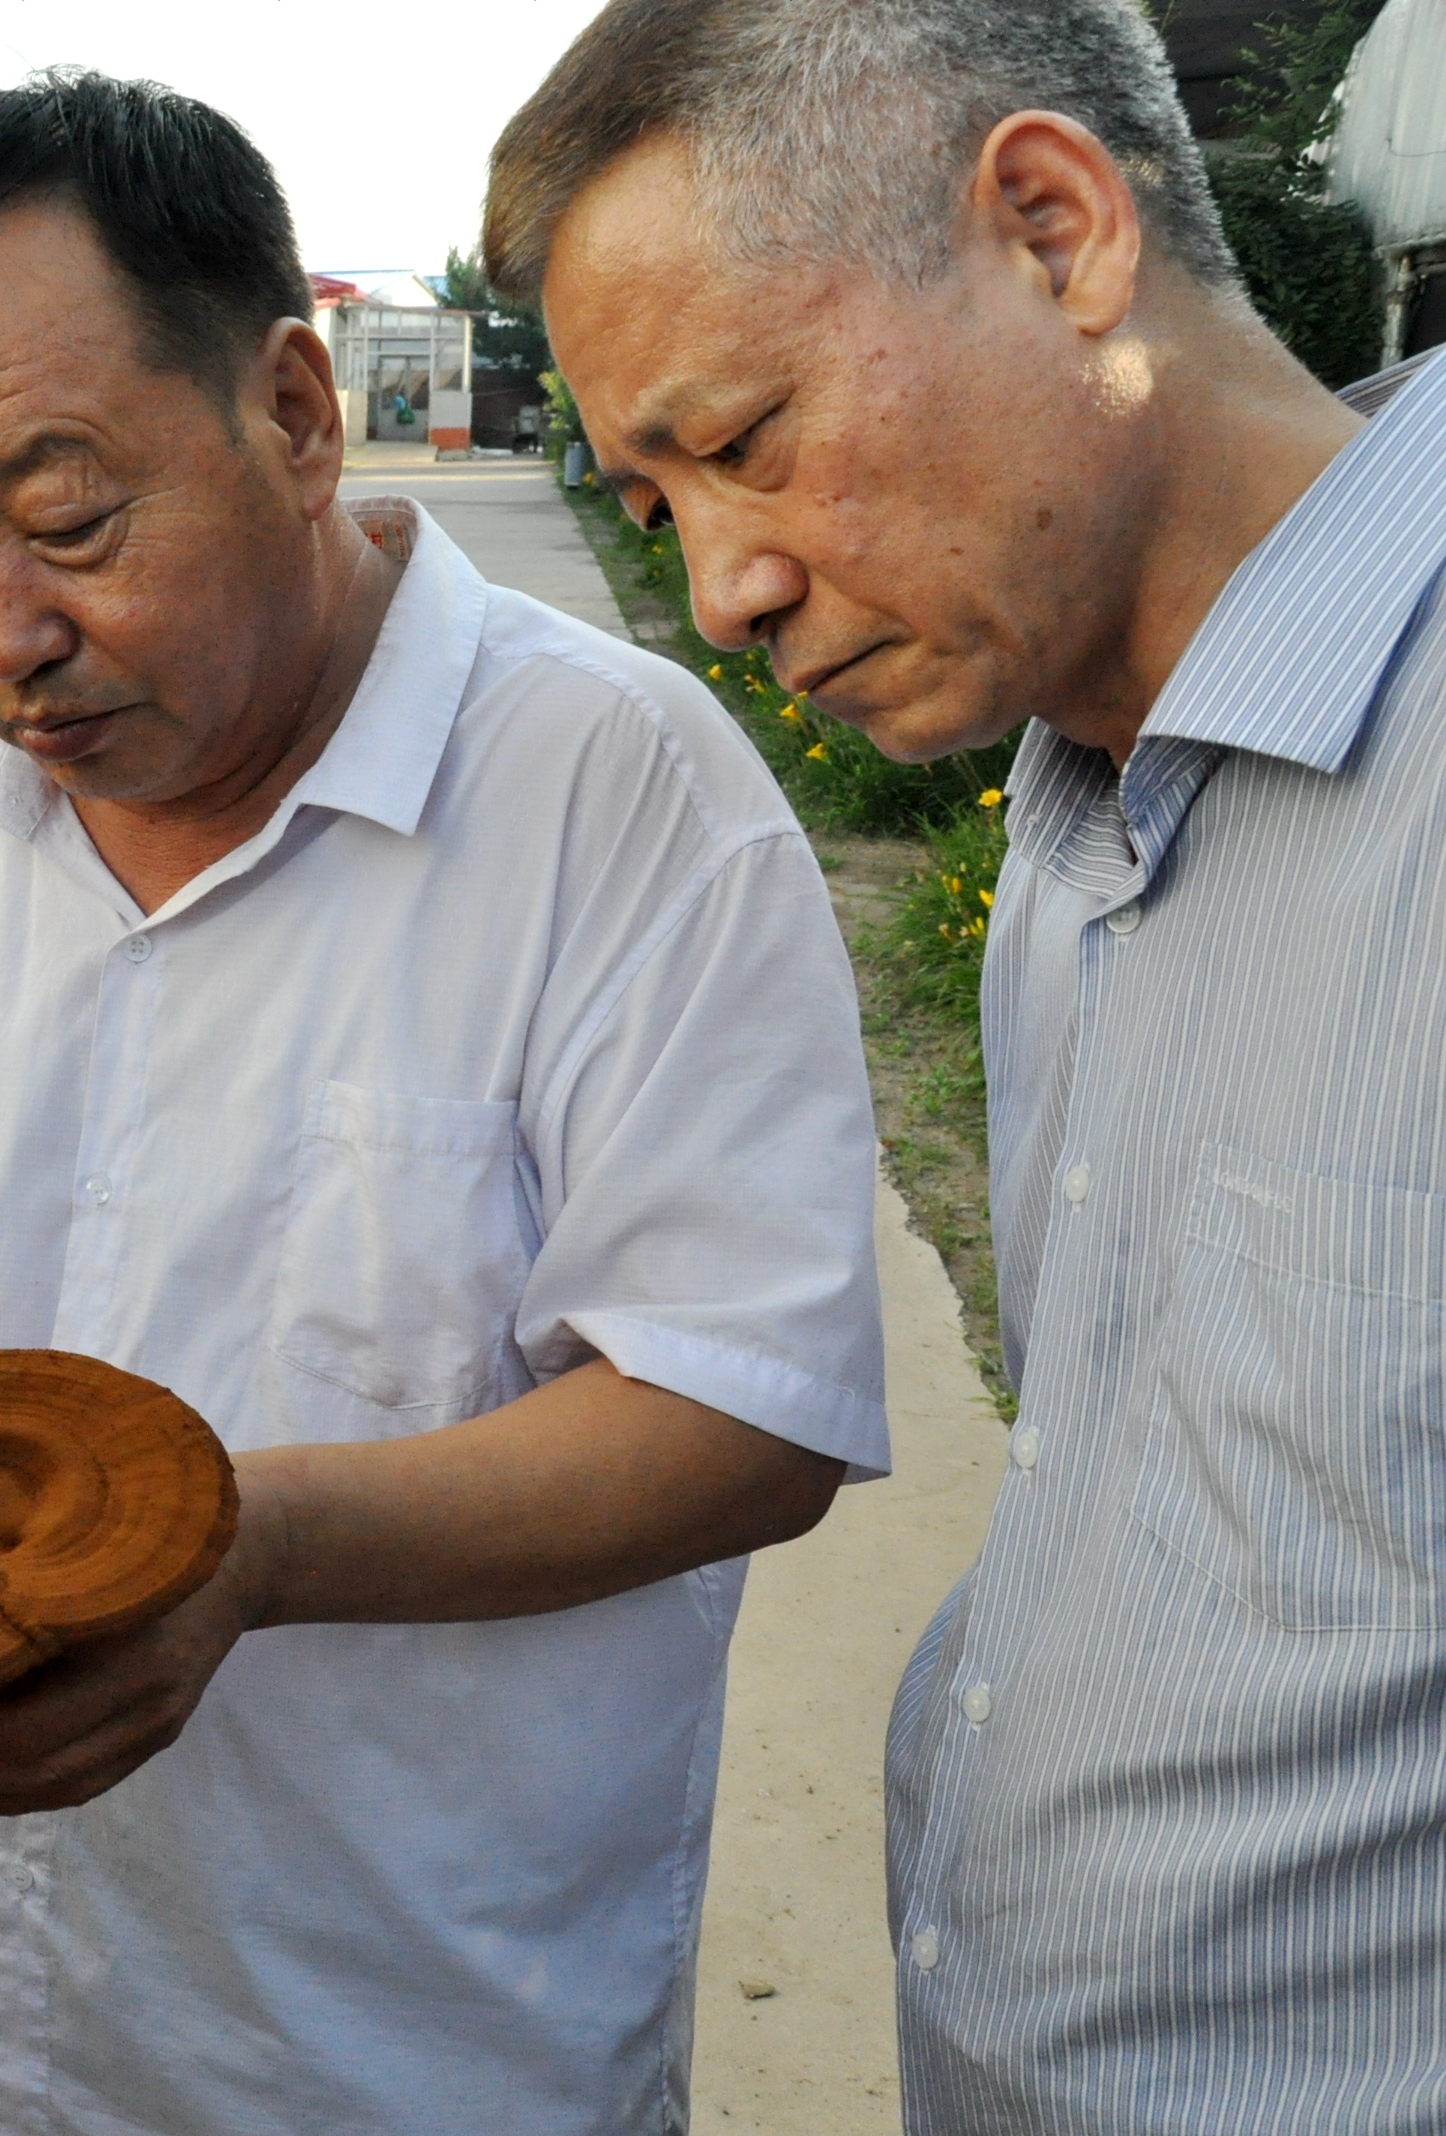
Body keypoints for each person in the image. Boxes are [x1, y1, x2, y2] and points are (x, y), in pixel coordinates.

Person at [0, 74, 892, 2131]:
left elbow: (737, 1410)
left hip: (397, 2023)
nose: (2, 640)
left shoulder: (617, 794)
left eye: (70, 518)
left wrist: (231, 1549)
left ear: (289, 411)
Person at [489, 1, 1446, 2125]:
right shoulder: (1074, 806)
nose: (722, 586)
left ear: (1051, 228)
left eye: (742, 437)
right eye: (654, 505)